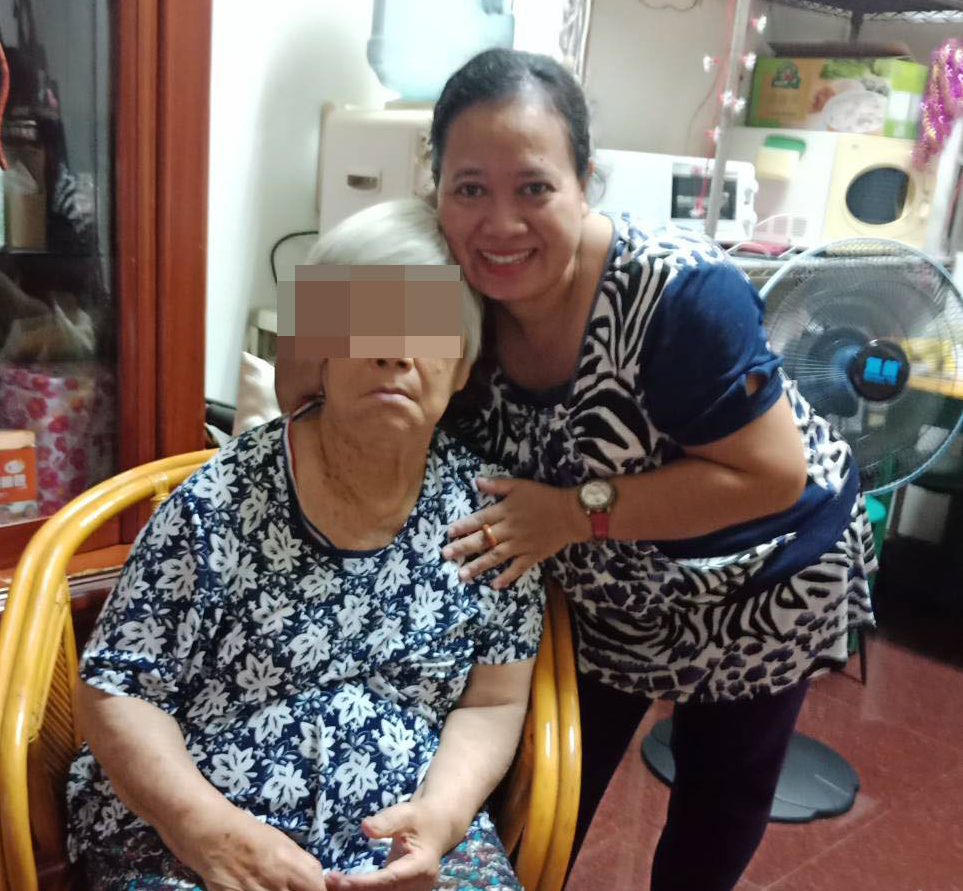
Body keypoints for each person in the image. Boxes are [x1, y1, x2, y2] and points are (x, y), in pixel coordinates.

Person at [278, 49, 875, 891]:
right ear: (435, 187)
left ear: (586, 181)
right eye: (469, 188)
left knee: (713, 811)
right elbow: (302, 371)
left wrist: (570, 512)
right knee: (540, 791)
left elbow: (773, 476)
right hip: (605, 583)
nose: (501, 224)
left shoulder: (679, 293)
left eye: (534, 187)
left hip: (761, 575)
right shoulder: (450, 279)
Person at [67, 198, 544, 891]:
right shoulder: (220, 500)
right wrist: (208, 832)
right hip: (198, 840)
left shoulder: (491, 521)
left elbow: (492, 702)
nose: (394, 350)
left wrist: (439, 819)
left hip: (408, 838)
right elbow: (117, 689)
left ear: (463, 363)